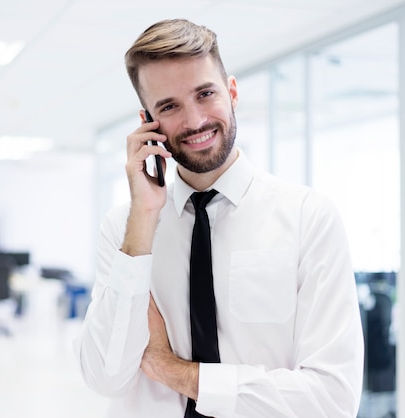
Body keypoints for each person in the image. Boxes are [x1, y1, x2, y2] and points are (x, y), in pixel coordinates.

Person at [75, 19, 364, 417]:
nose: (194, 121)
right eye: (170, 106)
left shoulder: (308, 218)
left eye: (204, 93)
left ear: (231, 91)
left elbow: (332, 400)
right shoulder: (125, 231)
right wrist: (142, 221)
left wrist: (173, 371)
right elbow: (106, 377)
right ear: (148, 121)